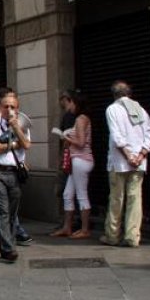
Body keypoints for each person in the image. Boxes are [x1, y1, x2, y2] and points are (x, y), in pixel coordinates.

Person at [102, 80, 150, 248]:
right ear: (129, 94)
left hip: (120, 162)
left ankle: (112, 235)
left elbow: (116, 134)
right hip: (139, 162)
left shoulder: (112, 109)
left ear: (114, 95)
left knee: (116, 198)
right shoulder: (140, 109)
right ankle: (132, 236)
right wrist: (140, 155)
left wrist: (128, 155)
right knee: (135, 198)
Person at [0, 92, 31, 262]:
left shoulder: (23, 126)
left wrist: (16, 128)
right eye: (6, 106)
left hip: (14, 173)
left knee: (12, 212)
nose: (9, 110)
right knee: (2, 211)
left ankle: (7, 245)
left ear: (17, 109)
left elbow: (26, 144)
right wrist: (12, 144)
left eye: (13, 107)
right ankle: (9, 248)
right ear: (0, 109)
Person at [52, 90, 95, 239]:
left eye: (70, 103)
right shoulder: (82, 119)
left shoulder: (81, 119)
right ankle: (67, 227)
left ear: (74, 102)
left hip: (81, 159)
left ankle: (84, 229)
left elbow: (81, 143)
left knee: (81, 195)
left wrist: (67, 138)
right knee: (67, 194)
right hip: (78, 159)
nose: (68, 107)